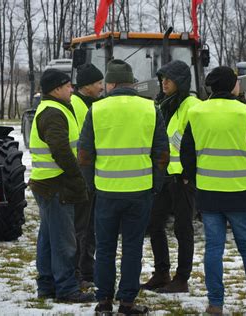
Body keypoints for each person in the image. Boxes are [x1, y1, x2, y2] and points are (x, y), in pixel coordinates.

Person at [78, 59, 169, 314]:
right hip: (140, 192)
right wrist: (155, 186)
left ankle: (104, 301)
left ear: (111, 83)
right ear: (131, 82)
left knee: (104, 249)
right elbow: (161, 153)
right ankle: (127, 302)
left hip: (106, 191)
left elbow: (84, 154)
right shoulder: (151, 108)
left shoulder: (96, 109)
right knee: (132, 248)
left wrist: (92, 185)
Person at [180, 66, 246, 314]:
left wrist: (192, 178)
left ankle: (215, 303)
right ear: (233, 86)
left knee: (213, 249)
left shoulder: (197, 112)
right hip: (241, 193)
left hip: (209, 193)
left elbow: (186, 151)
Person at [28, 68, 95, 303]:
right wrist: (77, 176)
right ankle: (67, 289)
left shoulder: (52, 109)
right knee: (65, 241)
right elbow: (60, 149)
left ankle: (46, 286)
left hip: (47, 183)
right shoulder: (54, 112)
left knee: (48, 239)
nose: (72, 89)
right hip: (57, 185)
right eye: (68, 86)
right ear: (57, 89)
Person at [142, 60, 201, 293]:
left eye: (168, 79)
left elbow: (197, 141)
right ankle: (161, 273)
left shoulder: (192, 105)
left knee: (183, 228)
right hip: (164, 176)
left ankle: (182, 278)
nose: (164, 83)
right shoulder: (162, 104)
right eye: (162, 79)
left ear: (181, 82)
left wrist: (189, 173)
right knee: (154, 223)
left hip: (182, 179)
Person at [71, 63, 104, 289]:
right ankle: (77, 272)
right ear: (87, 85)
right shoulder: (75, 105)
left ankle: (87, 268)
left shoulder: (94, 104)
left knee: (90, 225)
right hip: (80, 174)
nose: (102, 87)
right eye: (98, 83)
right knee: (79, 226)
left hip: (92, 173)